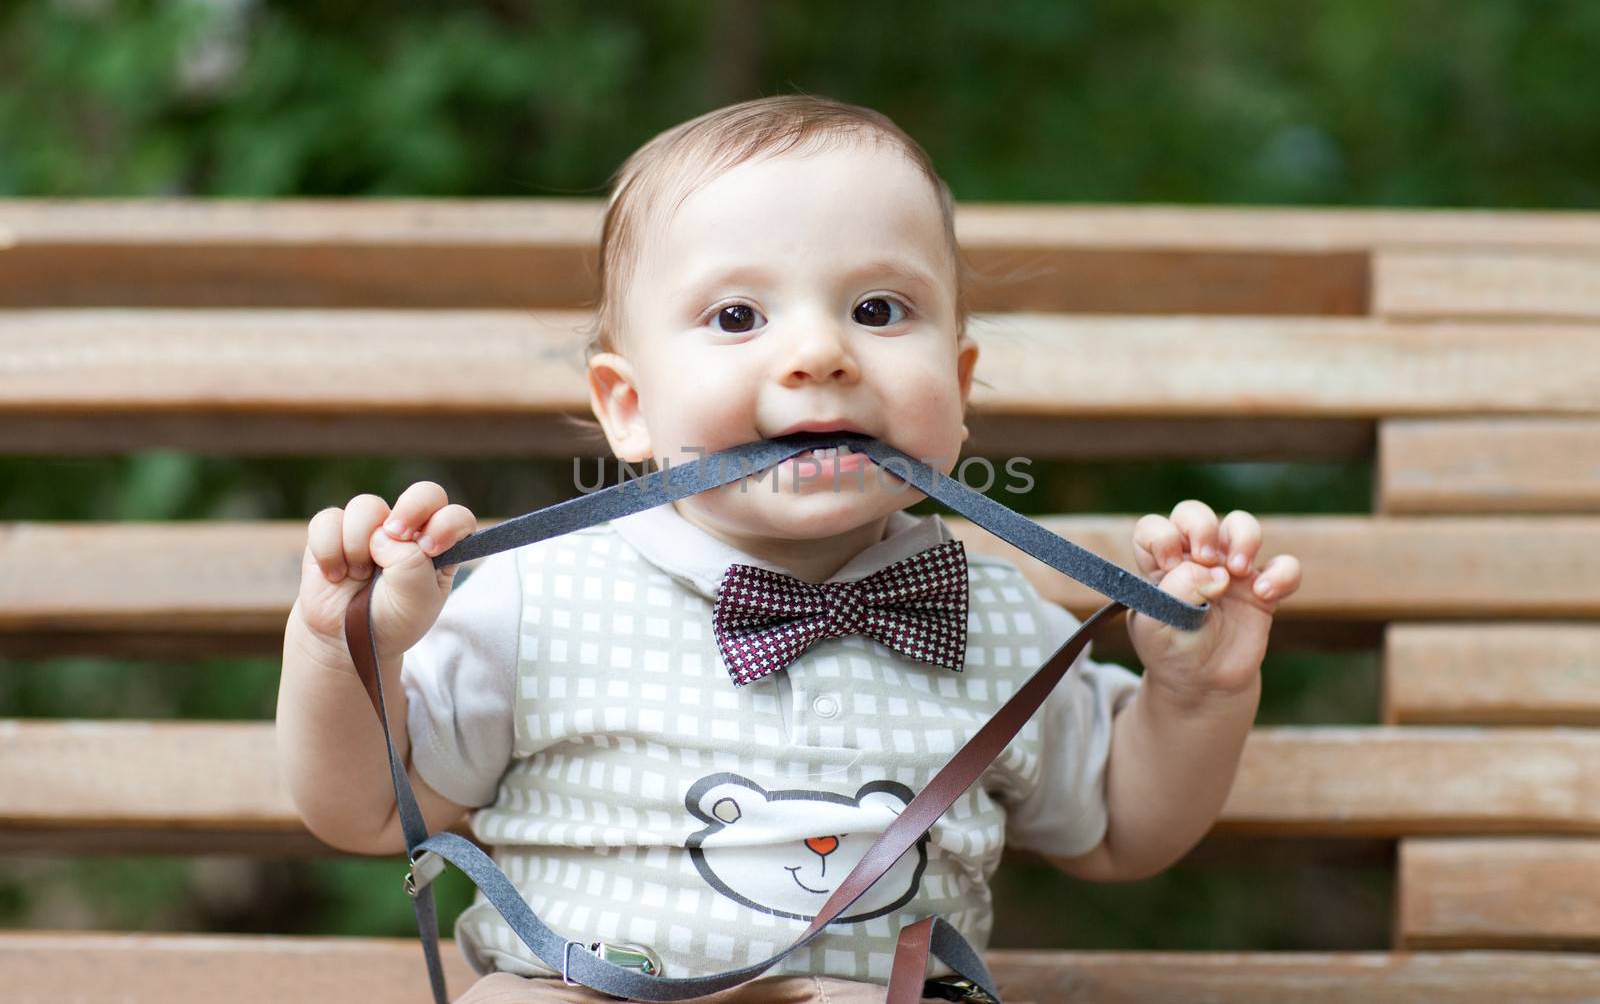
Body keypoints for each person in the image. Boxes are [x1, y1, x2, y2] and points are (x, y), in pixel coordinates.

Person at [276, 94, 1303, 1003]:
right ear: (628, 407)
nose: (819, 352)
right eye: (737, 316)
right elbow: (367, 810)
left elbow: (1121, 828)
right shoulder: (537, 597)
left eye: (878, 309)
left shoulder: (988, 606)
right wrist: (345, 649)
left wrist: (1195, 695)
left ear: (960, 377)